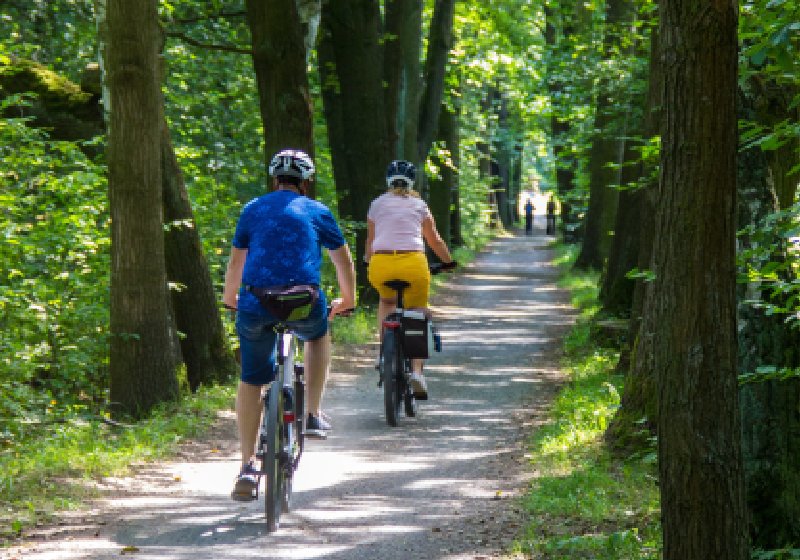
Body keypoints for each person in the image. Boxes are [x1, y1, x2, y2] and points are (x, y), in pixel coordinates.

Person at [222, 149, 356, 501]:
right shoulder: (317, 211)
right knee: (317, 335)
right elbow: (343, 262)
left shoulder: (252, 209)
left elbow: (237, 262)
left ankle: (247, 466)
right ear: (306, 181)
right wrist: (348, 298)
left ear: (273, 178)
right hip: (302, 304)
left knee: (251, 379)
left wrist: (230, 298)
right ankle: (311, 413)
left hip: (255, 303)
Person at [364, 160, 455, 400]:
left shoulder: (376, 205)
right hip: (414, 264)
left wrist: (367, 260)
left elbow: (371, 242)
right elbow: (434, 240)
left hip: (381, 264)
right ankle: (416, 372)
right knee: (417, 312)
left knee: (387, 302)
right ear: (412, 182)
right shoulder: (420, 205)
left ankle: (384, 353)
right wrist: (448, 262)